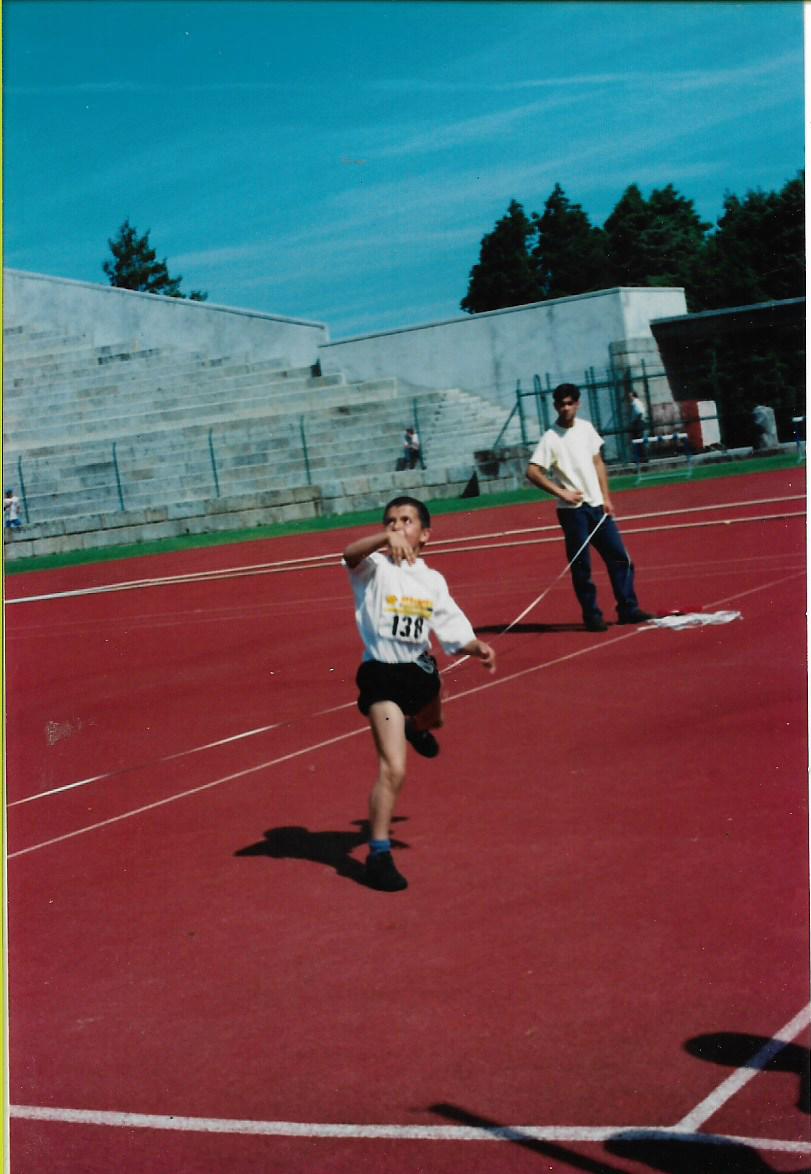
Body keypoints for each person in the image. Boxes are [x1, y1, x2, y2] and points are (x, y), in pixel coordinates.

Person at [343, 495, 496, 891]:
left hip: (420, 671)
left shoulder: (432, 580)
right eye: (390, 521)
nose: (397, 526)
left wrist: (474, 646)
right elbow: (350, 554)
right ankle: (378, 855)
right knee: (394, 767)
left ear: (425, 535)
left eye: (406, 520)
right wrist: (382, 540)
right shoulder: (374, 568)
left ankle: (417, 727)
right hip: (382, 676)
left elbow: (451, 626)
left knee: (434, 720)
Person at [526, 383, 652, 633]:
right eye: (561, 404)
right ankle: (592, 615)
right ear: (555, 406)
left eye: (570, 403)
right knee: (582, 565)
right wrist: (562, 492)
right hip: (573, 512)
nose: (566, 408)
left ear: (578, 404)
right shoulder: (550, 438)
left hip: (597, 507)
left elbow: (598, 462)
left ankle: (628, 608)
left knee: (620, 557)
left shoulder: (586, 428)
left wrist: (606, 497)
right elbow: (532, 471)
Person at [627, 389, 648, 465]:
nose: (629, 398)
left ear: (633, 396)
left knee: (639, 441)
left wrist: (636, 423)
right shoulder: (636, 403)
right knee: (637, 441)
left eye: (630, 396)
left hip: (638, 423)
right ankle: (639, 457)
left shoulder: (636, 403)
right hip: (637, 423)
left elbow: (640, 412)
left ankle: (643, 458)